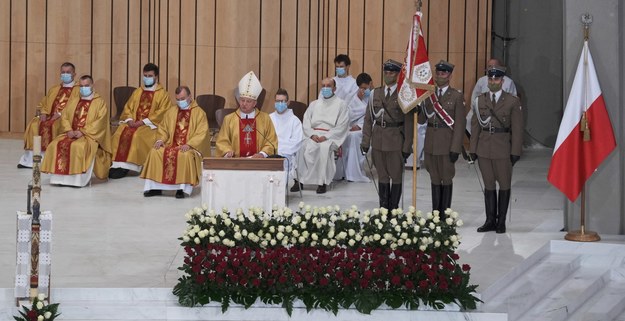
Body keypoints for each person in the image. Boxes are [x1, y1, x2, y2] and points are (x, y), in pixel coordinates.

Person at [470, 66, 523, 234]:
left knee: (505, 184)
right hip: (484, 148)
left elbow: (517, 128)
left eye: (496, 79)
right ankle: (490, 220)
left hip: (503, 149)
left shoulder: (512, 101)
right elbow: (475, 126)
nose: (493, 82)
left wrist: (515, 151)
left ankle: (501, 221)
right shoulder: (480, 100)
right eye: (490, 79)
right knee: (489, 185)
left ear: (502, 81)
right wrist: (473, 148)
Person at [360, 59, 414, 210]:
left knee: (396, 176)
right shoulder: (375, 93)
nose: (387, 75)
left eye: (391, 73)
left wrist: (407, 146)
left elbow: (409, 123)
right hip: (378, 140)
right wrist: (365, 142)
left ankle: (394, 209)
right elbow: (368, 119)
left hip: (396, 140)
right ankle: (384, 209)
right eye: (385, 72)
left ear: (397, 74)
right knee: (382, 176)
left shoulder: (404, 94)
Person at [40, 75, 112, 187]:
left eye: (86, 85)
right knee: (54, 144)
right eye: (81, 86)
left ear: (92, 85)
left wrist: (83, 131)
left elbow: (100, 122)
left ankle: (77, 180)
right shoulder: (74, 100)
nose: (84, 88)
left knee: (78, 147)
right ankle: (58, 179)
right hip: (71, 132)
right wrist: (68, 130)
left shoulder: (100, 103)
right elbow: (64, 116)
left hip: (89, 136)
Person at [140, 86, 210, 199]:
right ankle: (155, 187)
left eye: (182, 98)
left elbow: (202, 133)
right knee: (155, 151)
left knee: (185, 155)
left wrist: (190, 144)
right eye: (177, 99)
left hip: (189, 147)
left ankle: (181, 189)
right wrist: (160, 140)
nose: (180, 101)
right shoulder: (171, 111)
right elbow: (163, 129)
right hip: (171, 144)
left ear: (190, 97)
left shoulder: (199, 113)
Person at [418, 60, 466, 215]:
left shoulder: (457, 96)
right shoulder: (428, 95)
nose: (440, 76)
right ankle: (435, 213)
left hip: (447, 143)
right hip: (431, 142)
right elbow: (422, 120)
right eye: (438, 73)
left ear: (450, 75)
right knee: (434, 177)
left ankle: (445, 213)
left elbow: (459, 125)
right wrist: (417, 109)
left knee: (446, 177)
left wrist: (456, 148)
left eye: (444, 73)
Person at [108, 63, 173, 179]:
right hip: (134, 122)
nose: (146, 78)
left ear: (156, 77)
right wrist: (129, 120)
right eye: (145, 75)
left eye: (150, 76)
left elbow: (163, 112)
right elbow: (128, 107)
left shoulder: (163, 94)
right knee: (119, 132)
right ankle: (116, 164)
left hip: (151, 126)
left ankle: (128, 166)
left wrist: (143, 122)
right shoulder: (138, 91)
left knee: (137, 135)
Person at [18, 62, 80, 168]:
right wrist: (43, 112)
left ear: (74, 74)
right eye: (63, 72)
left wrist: (60, 114)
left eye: (68, 72)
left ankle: (50, 160)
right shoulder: (54, 89)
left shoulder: (78, 90)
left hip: (65, 119)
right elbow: (44, 103)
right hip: (49, 116)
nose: (65, 74)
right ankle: (31, 161)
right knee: (35, 124)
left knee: (53, 125)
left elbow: (77, 107)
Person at [296, 77, 349, 194]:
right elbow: (306, 121)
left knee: (323, 148)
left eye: (328, 86)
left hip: (330, 136)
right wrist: (312, 134)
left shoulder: (341, 104)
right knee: (302, 146)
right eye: (323, 86)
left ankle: (322, 182)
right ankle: (299, 180)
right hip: (314, 134)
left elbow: (342, 125)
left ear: (334, 88)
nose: (325, 88)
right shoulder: (314, 104)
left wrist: (327, 136)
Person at [215, 71, 278, 158]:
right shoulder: (229, 119)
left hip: (258, 163)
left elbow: (271, 141)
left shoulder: (265, 118)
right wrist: (227, 151)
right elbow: (222, 141)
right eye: (242, 100)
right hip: (236, 163)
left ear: (254, 103)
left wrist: (262, 154)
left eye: (248, 101)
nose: (244, 104)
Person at [335, 72, 372, 183]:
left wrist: (360, 126)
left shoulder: (375, 95)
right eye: (361, 88)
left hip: (367, 128)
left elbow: (373, 115)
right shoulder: (351, 96)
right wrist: (357, 100)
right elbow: (346, 113)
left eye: (365, 88)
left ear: (370, 84)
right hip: (350, 127)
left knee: (355, 137)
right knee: (346, 135)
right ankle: (343, 172)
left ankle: (354, 173)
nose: (363, 90)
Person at [467, 58, 518, 135]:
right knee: (469, 120)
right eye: (489, 66)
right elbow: (475, 97)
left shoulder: (508, 82)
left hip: (502, 112)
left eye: (494, 66)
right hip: (483, 111)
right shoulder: (481, 80)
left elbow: (513, 100)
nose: (492, 68)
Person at [269, 88, 303, 191]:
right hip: (270, 151)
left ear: (288, 102)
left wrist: (280, 149)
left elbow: (297, 142)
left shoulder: (294, 121)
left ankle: (280, 191)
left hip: (287, 153)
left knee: (283, 161)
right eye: (277, 101)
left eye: (282, 101)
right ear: (274, 102)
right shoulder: (268, 118)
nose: (280, 104)